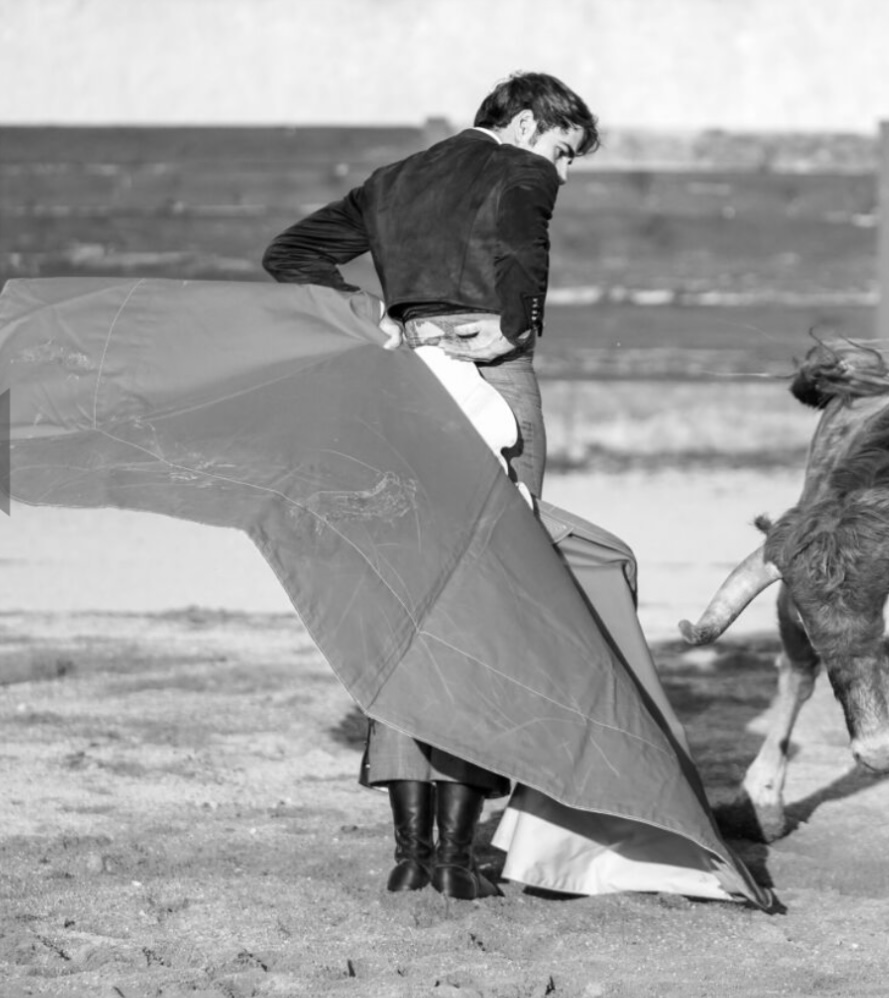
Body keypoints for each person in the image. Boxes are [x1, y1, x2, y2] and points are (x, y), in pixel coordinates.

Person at [261, 71, 601, 900]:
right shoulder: (523, 172)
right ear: (524, 124)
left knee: (409, 606)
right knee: (489, 602)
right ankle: (455, 857)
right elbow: (524, 250)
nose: (560, 171)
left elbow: (290, 255)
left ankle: (411, 854)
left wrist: (377, 319)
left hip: (409, 387)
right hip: (494, 387)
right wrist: (515, 323)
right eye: (561, 150)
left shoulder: (393, 180)